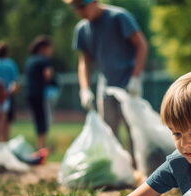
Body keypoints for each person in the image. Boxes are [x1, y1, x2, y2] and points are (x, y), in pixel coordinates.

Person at [63, 0, 148, 168]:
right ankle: (120, 169)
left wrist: (136, 77)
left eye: (82, 6)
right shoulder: (82, 29)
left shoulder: (119, 17)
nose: (80, 12)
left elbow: (142, 45)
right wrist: (85, 88)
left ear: (94, 2)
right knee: (109, 131)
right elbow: (84, 62)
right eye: (75, 9)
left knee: (134, 129)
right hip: (106, 86)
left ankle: (140, 170)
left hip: (128, 83)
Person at [25, 35, 55, 149]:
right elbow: (48, 75)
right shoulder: (44, 60)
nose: (51, 51)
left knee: (38, 121)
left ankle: (40, 146)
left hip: (30, 94)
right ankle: (42, 148)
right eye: (50, 48)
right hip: (40, 94)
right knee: (43, 121)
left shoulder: (30, 60)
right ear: (43, 48)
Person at [0, 41, 19, 142]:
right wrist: (8, 93)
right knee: (5, 121)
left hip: (2, 96)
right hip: (5, 97)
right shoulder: (10, 64)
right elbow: (14, 83)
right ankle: (4, 144)